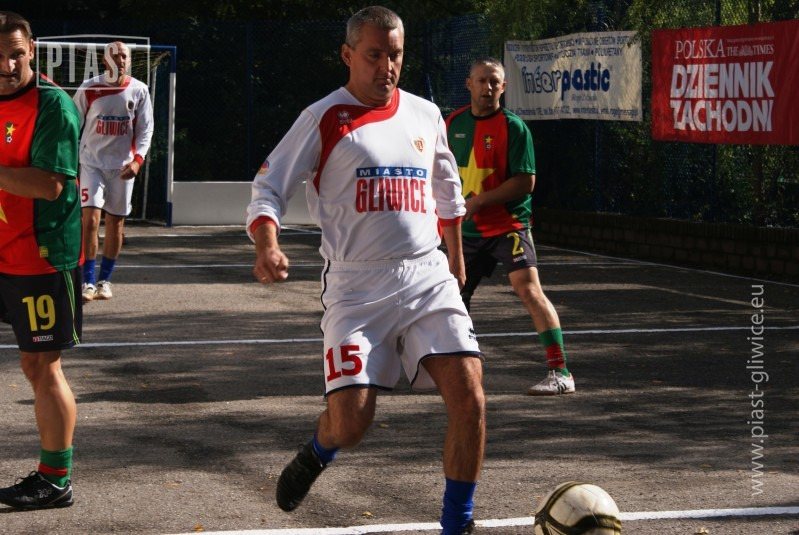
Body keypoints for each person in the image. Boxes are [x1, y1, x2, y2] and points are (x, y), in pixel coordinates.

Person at [247, 7, 484, 535]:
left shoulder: (425, 114)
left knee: (470, 396)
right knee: (352, 423)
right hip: (356, 287)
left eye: (394, 55)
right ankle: (319, 449)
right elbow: (267, 189)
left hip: (426, 276)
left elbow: (447, 192)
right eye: (374, 55)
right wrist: (267, 244)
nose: (386, 66)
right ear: (348, 55)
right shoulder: (323, 118)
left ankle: (458, 524)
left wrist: (455, 259)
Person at [445, 57, 575, 396]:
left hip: (508, 225)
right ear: (469, 84)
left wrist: (478, 202)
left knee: (528, 289)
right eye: (481, 80)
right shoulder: (452, 124)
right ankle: (463, 362)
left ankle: (560, 372)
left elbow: (525, 182)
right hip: (468, 230)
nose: (487, 87)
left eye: (494, 82)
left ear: (503, 87)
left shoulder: (514, 127)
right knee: (452, 296)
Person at [0, 11, 81, 509]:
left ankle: (55, 480)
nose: (7, 65)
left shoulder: (53, 105)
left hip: (40, 255)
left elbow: (48, 184)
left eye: (16, 54)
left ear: (32, 50)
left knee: (40, 366)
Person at [72, 40, 153, 302]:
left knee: (116, 223)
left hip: (122, 167)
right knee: (90, 221)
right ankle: (87, 281)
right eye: (115, 56)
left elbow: (145, 130)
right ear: (104, 60)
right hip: (92, 164)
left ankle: (104, 280)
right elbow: (72, 122)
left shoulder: (139, 90)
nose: (120, 60)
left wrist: (137, 161)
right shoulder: (89, 88)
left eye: (124, 56)